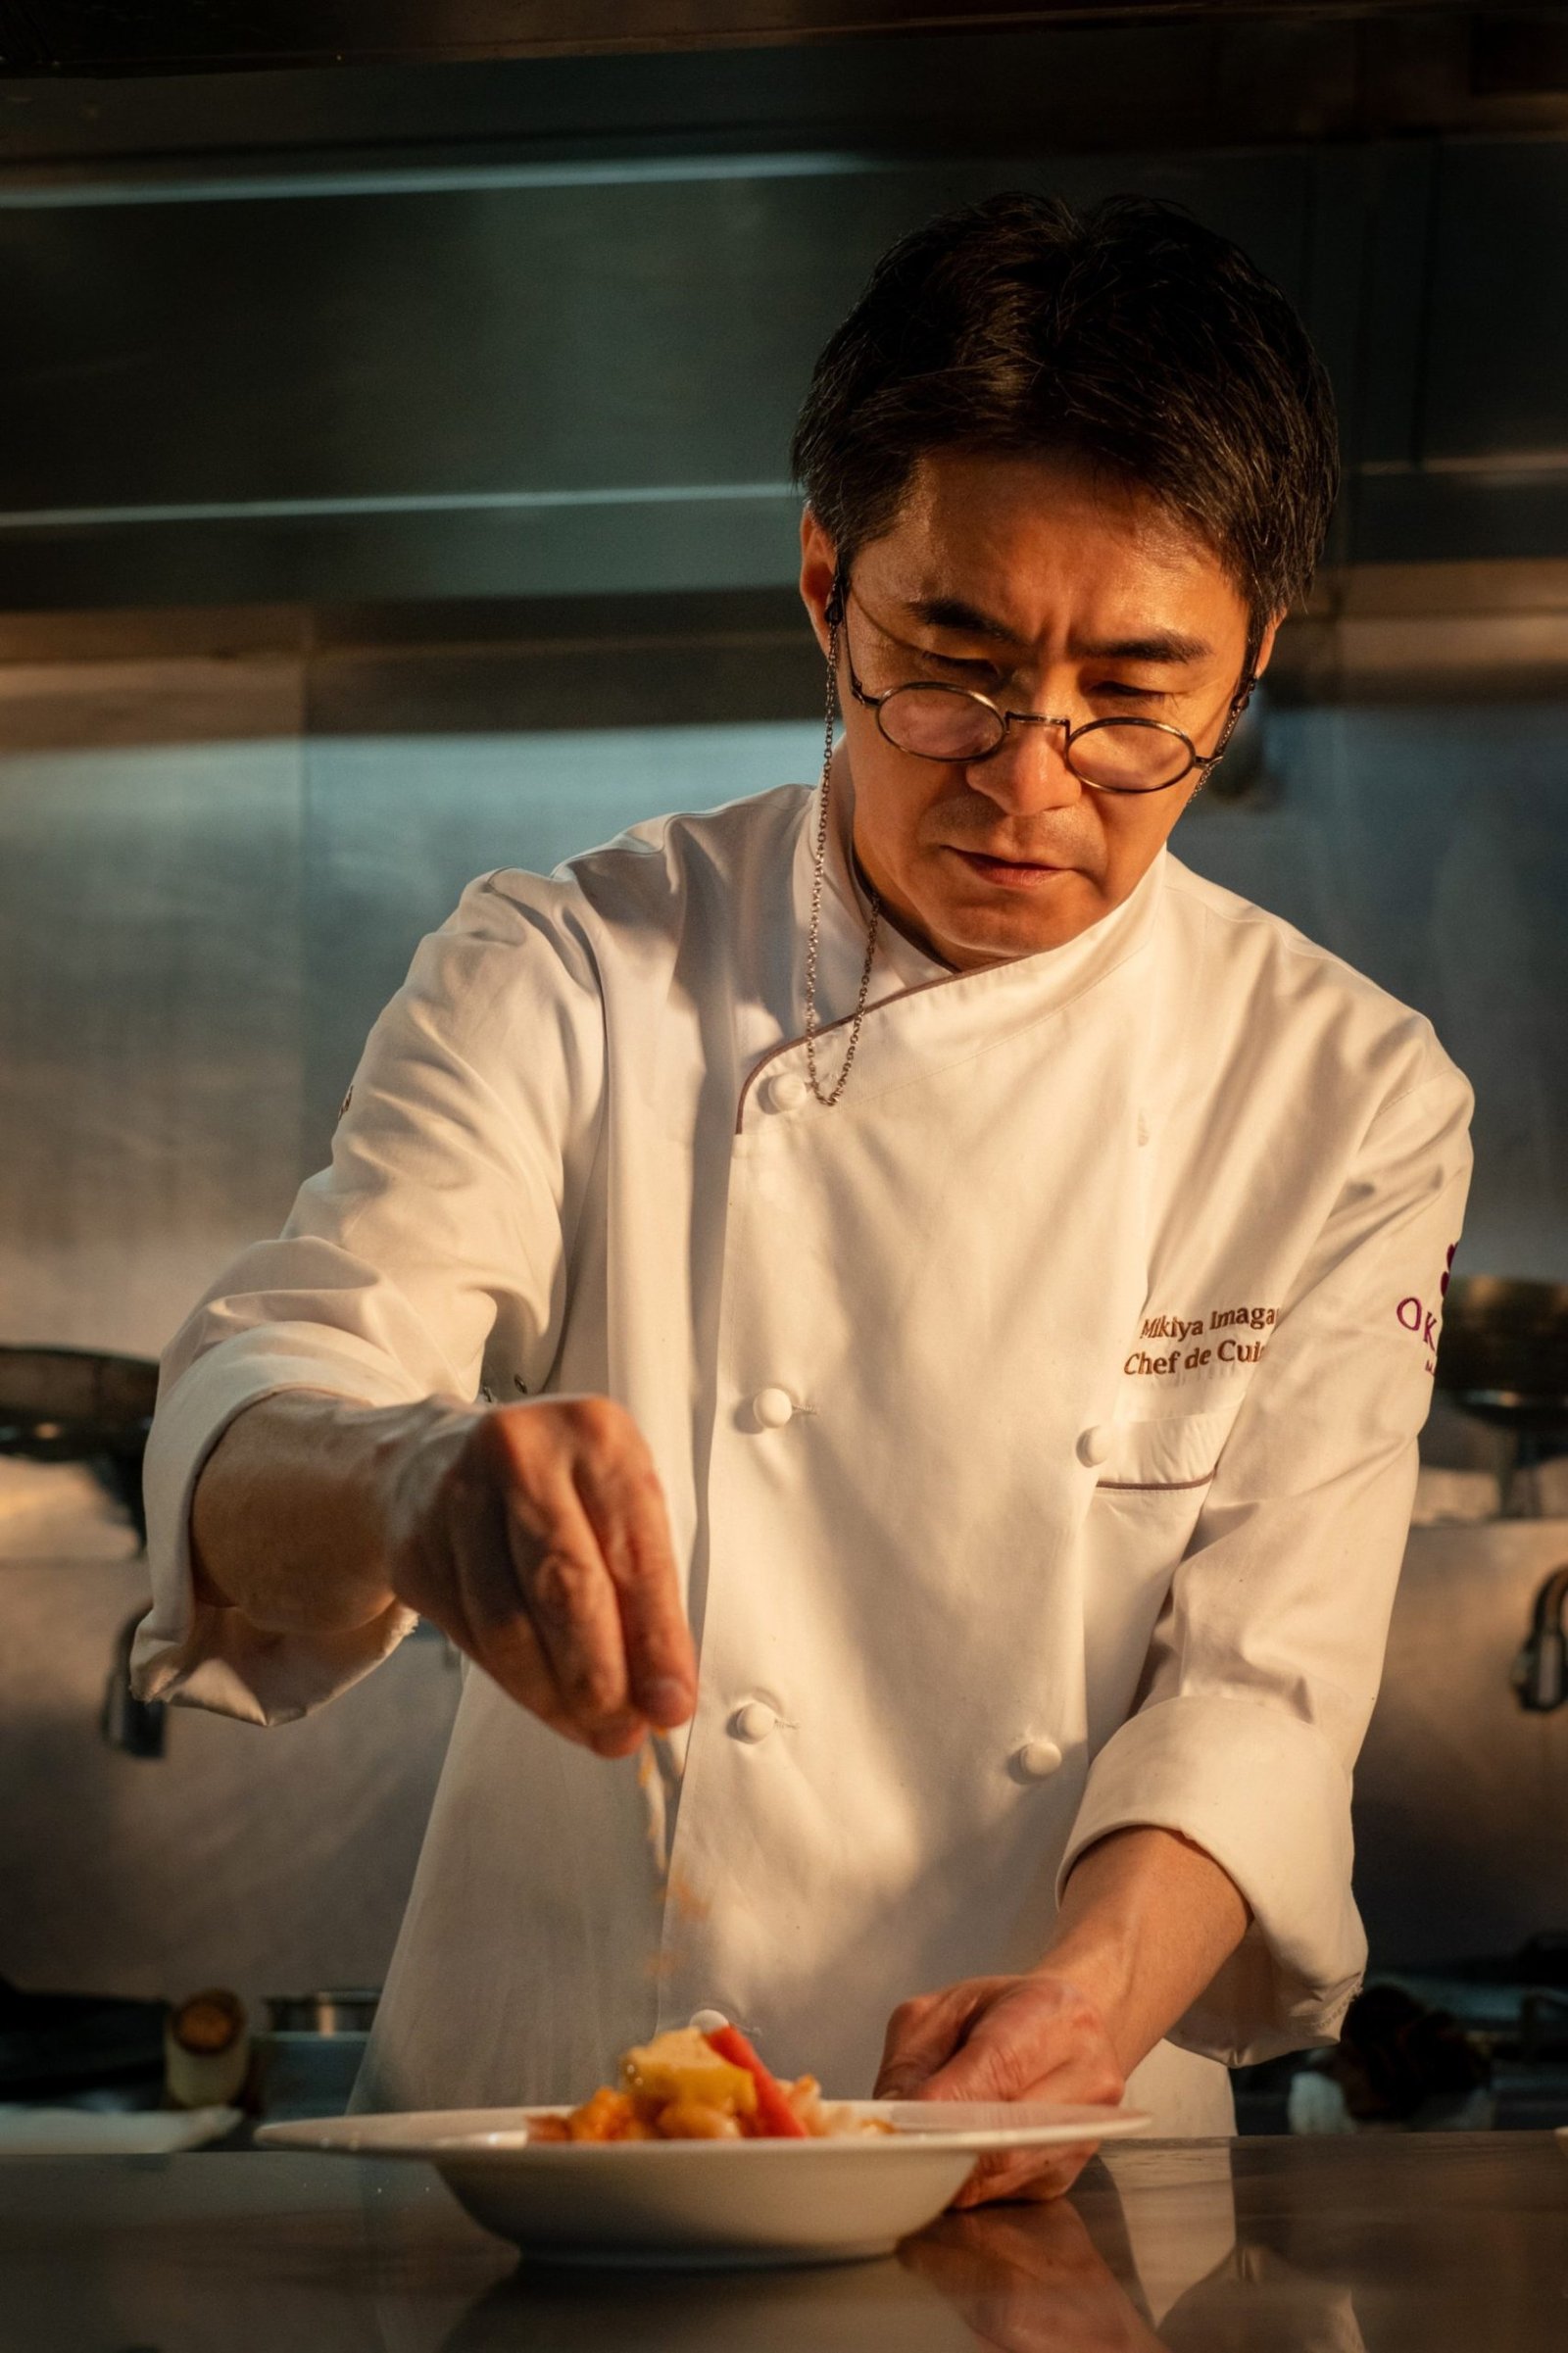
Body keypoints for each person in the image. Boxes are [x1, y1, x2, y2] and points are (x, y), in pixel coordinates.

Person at [133, 192, 1471, 2200]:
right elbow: (262, 1402)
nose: (1028, 779)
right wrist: (410, 1480)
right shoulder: (574, 969)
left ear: (1254, 658)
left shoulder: (1345, 1095)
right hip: (561, 2159)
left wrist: (1084, 2011)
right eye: (953, 664)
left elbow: (1263, 1682)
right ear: (826, 586)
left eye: (1134, 698)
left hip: (1056, 2159)